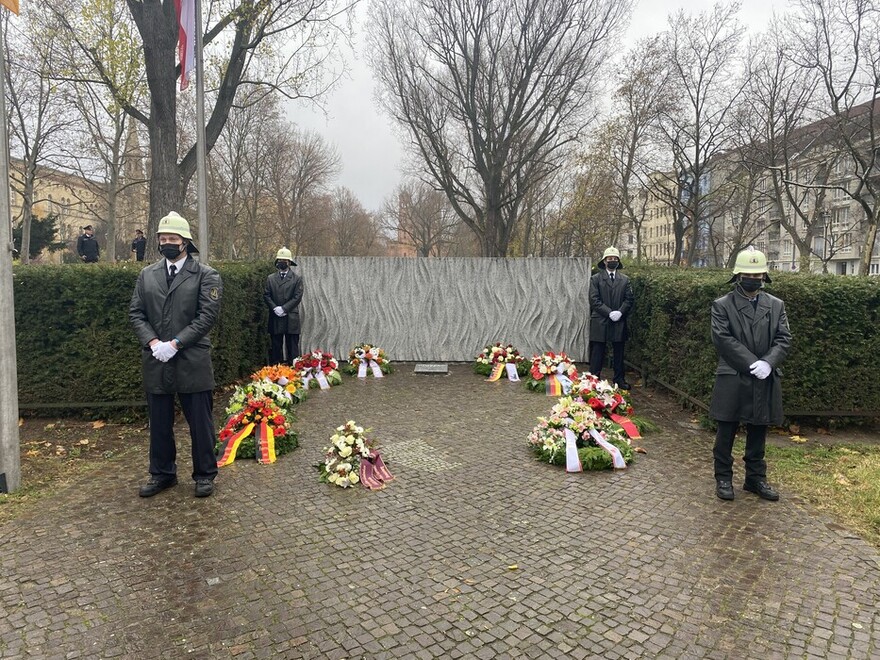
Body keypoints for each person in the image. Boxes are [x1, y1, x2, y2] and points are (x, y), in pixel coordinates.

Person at [129, 211, 223, 498]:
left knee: (200, 423)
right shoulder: (147, 275)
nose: (167, 242)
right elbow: (136, 312)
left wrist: (177, 343)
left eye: (173, 238)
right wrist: (154, 342)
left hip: (191, 359)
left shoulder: (207, 275)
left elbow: (206, 316)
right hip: (157, 359)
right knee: (159, 422)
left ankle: (205, 474)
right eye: (163, 238)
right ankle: (162, 473)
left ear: (185, 242)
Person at [710, 247, 791, 502]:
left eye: (757, 275)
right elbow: (722, 339)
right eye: (748, 274)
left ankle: (755, 478)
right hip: (733, 374)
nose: (753, 279)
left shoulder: (776, 305)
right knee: (727, 429)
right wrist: (751, 362)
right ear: (737, 275)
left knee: (759, 429)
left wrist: (768, 362)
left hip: (764, 376)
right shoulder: (722, 305)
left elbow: (784, 338)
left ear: (764, 276)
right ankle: (723, 477)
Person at [589, 246, 635, 389]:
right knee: (598, 352)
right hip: (600, 320)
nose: (612, 261)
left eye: (615, 259)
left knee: (619, 352)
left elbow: (629, 299)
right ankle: (593, 380)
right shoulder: (595, 279)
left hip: (618, 321)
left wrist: (620, 312)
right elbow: (594, 300)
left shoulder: (625, 280)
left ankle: (619, 379)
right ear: (604, 261)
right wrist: (609, 312)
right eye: (610, 259)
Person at [264, 247, 304, 365]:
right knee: (276, 346)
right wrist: (275, 308)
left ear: (289, 262)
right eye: (280, 260)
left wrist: (284, 308)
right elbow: (266, 295)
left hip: (291, 316)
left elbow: (297, 297)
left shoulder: (297, 279)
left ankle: (294, 371)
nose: (282, 262)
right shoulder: (270, 278)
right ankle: (275, 371)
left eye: (285, 260)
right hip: (275, 316)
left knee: (292, 346)